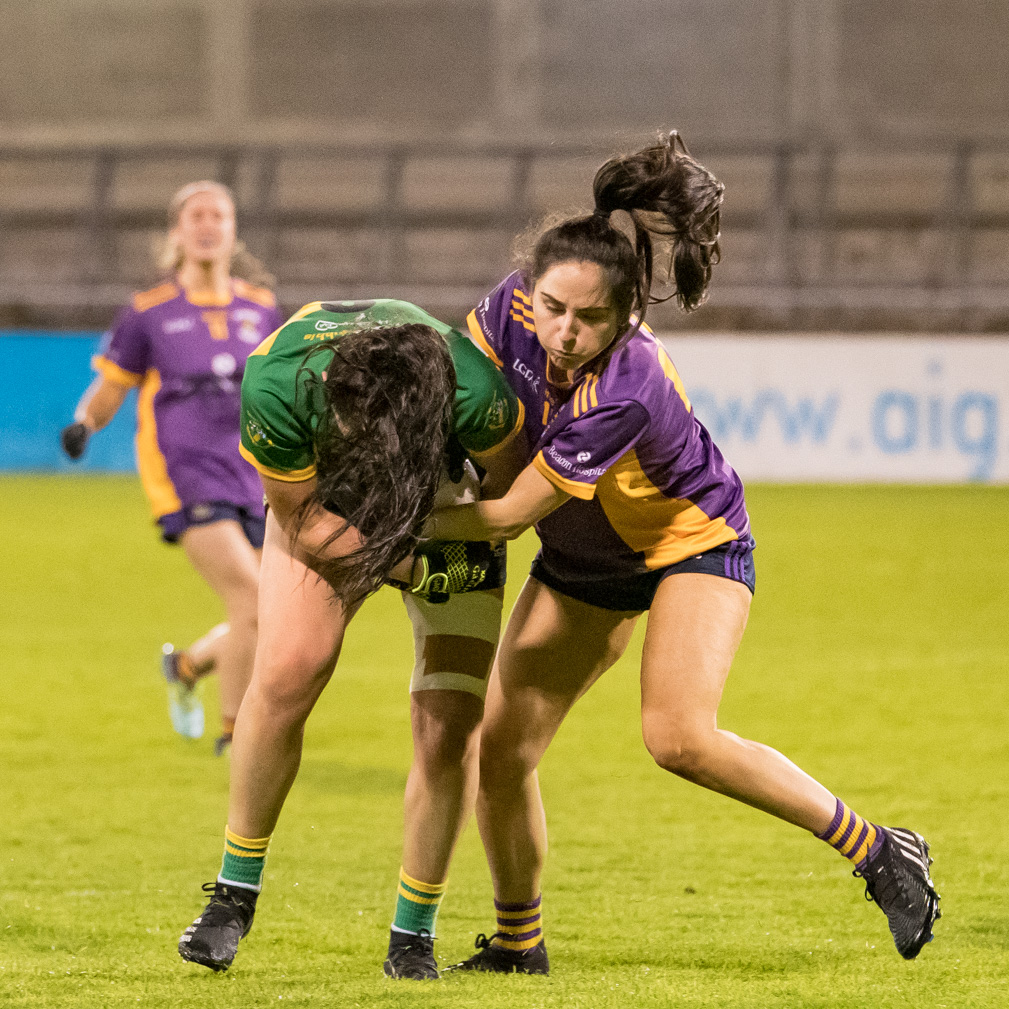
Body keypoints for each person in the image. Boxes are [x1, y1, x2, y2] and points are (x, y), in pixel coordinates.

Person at [424, 132, 941, 974]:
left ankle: (880, 847)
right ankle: (519, 945)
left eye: (589, 318)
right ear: (531, 287)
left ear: (626, 311)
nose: (563, 331)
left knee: (677, 736)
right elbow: (461, 409)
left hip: (689, 547)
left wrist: (392, 523)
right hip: (585, 563)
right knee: (500, 751)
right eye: (552, 307)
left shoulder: (626, 381)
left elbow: (508, 513)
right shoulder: (506, 311)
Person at [176, 297, 526, 979]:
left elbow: (507, 495)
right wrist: (413, 566)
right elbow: (303, 521)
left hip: (445, 501)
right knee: (287, 669)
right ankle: (232, 897)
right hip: (328, 508)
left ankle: (412, 936)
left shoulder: (477, 391)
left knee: (450, 723)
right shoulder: (277, 381)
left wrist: (443, 543)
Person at [61, 181, 284, 753]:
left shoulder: (260, 307)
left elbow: (280, 386)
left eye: (220, 215)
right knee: (252, 596)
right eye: (196, 215)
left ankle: (188, 667)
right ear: (177, 231)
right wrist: (85, 424)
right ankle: (236, 734)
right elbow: (112, 387)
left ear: (234, 230)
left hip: (253, 471)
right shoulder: (148, 313)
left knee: (267, 608)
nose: (208, 225)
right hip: (184, 470)